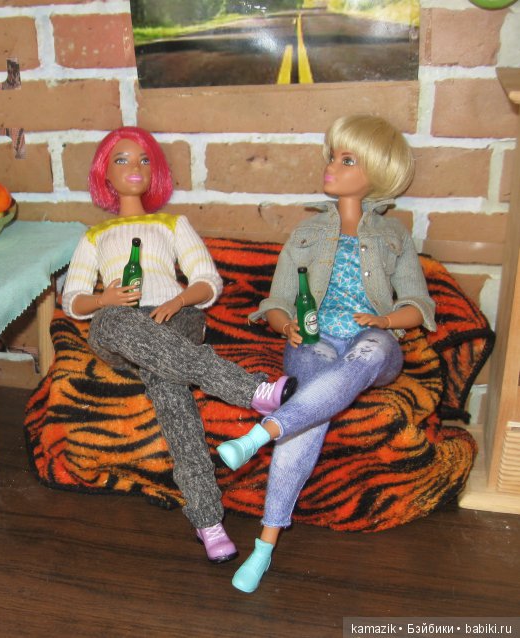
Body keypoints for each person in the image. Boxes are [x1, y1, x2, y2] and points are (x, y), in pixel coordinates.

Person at [216, 114, 435, 592]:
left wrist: (386, 321)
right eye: (332, 156)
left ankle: (261, 433)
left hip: (373, 345)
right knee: (310, 410)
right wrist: (286, 325)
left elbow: (418, 305)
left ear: (376, 171)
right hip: (314, 341)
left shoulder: (394, 236)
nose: (332, 166)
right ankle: (264, 548)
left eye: (347, 159)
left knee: (369, 351)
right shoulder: (307, 232)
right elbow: (275, 300)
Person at [62, 127, 297, 563]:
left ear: (155, 171)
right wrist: (104, 299)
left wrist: (179, 299)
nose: (134, 167)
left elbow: (208, 280)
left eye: (144, 160)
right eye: (121, 160)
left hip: (177, 318)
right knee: (109, 322)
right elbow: (72, 299)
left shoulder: (172, 224)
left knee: (169, 390)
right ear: (104, 174)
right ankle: (251, 389)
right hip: (120, 325)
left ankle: (208, 520)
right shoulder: (94, 236)